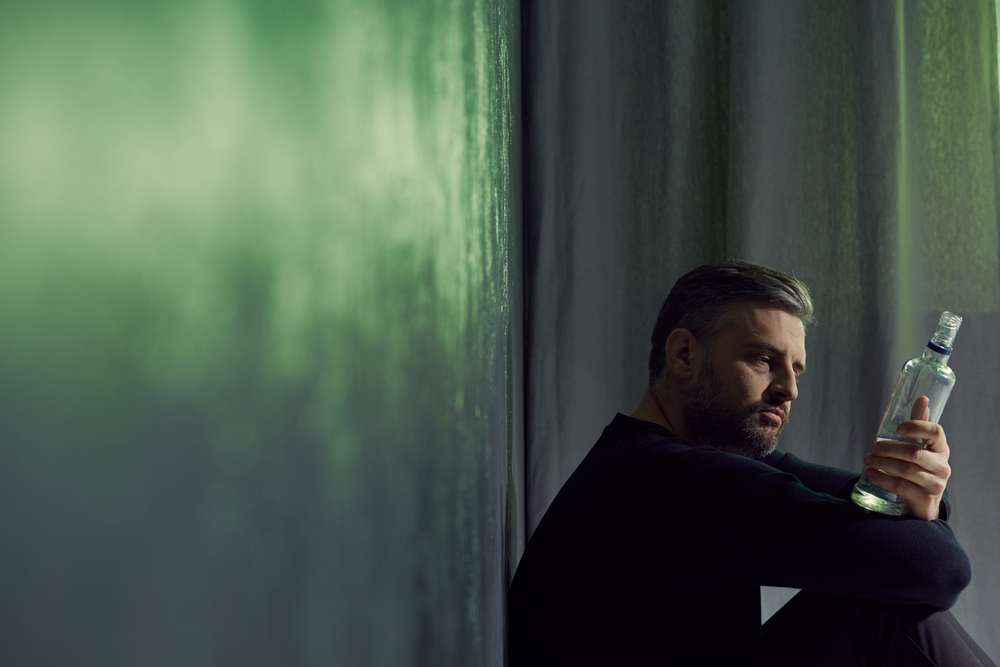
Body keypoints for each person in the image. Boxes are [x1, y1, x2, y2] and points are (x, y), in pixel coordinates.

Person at [508, 260, 995, 666]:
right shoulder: (664, 481)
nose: (790, 389)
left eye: (795, 369)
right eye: (763, 360)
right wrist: (926, 515)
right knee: (885, 611)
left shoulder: (695, 463)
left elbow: (918, 552)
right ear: (683, 355)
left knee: (878, 597)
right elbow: (938, 571)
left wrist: (923, 493)